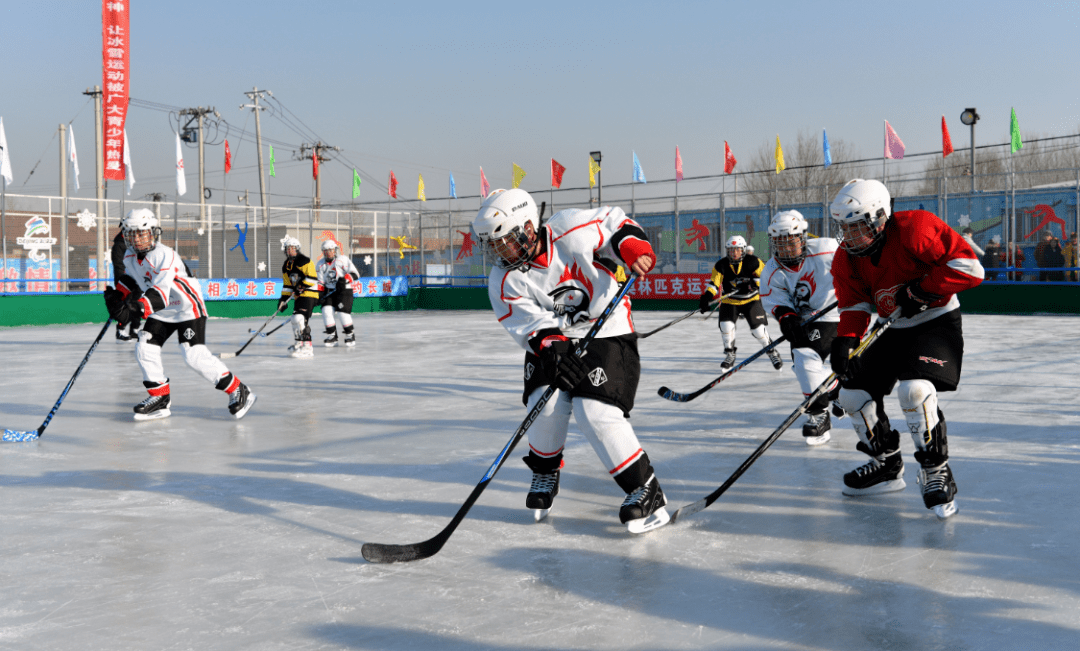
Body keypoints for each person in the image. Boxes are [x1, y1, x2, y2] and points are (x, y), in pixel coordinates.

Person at [472, 188, 669, 533]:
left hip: (608, 329)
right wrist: (554, 347)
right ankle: (545, 472)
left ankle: (645, 488)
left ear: (529, 228)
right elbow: (528, 324)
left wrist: (632, 247)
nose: (500, 252)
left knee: (594, 411)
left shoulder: (571, 228)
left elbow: (616, 224)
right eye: (493, 245)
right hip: (556, 339)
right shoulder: (504, 279)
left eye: (505, 241)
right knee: (542, 404)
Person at [828, 179, 983, 519]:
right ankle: (885, 463)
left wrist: (922, 291)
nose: (850, 237)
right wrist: (846, 339)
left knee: (914, 392)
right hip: (891, 327)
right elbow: (853, 304)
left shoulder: (916, 228)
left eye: (858, 227)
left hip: (935, 321)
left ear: (880, 217)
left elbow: (970, 268)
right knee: (851, 396)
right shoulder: (846, 259)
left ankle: (935, 469)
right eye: (845, 229)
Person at [103, 209, 256, 421]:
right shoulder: (129, 256)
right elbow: (131, 281)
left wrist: (134, 310)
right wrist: (117, 297)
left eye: (142, 233)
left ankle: (238, 389)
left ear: (153, 233)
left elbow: (160, 295)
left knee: (193, 354)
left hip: (186, 306)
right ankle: (159, 398)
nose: (137, 239)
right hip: (163, 311)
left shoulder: (164, 255)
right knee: (145, 346)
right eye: (133, 234)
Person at [759, 211, 840, 446]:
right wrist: (786, 319)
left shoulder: (827, 249)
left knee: (805, 358)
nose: (786, 249)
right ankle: (836, 387)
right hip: (803, 320)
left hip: (835, 314)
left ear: (802, 238)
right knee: (802, 366)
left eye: (791, 241)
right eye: (780, 243)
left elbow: (858, 264)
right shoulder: (772, 271)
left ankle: (818, 415)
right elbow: (775, 301)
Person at [698, 235, 783, 371]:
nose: (734, 253)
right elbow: (714, 283)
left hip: (751, 299)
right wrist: (707, 297)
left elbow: (765, 278)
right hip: (730, 300)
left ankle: (771, 351)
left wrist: (751, 284)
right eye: (731, 250)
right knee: (726, 326)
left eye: (737, 249)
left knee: (758, 331)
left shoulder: (753, 261)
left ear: (743, 249)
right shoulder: (721, 265)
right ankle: (730, 353)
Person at [278, 236, 320, 358]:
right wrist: (283, 300)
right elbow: (287, 285)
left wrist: (300, 286)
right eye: (288, 248)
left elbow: (312, 278)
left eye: (292, 248)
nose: (290, 250)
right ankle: (299, 343)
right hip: (298, 296)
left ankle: (307, 347)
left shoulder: (304, 261)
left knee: (300, 318)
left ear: (297, 249)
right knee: (294, 319)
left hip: (309, 294)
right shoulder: (286, 265)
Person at [315, 239, 360, 347]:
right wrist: (319, 295)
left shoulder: (342, 260)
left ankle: (350, 334)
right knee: (326, 310)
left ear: (335, 250)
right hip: (330, 291)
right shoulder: (320, 264)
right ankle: (332, 335)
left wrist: (344, 280)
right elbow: (321, 282)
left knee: (342, 312)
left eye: (330, 250)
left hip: (344, 291)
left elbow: (355, 274)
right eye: (325, 251)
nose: (328, 253)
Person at [111, 229, 140, 342]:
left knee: (137, 303)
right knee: (126, 306)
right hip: (125, 281)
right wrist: (122, 281)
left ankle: (135, 330)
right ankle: (120, 330)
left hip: (136, 279)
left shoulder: (134, 243)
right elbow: (118, 265)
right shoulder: (119, 245)